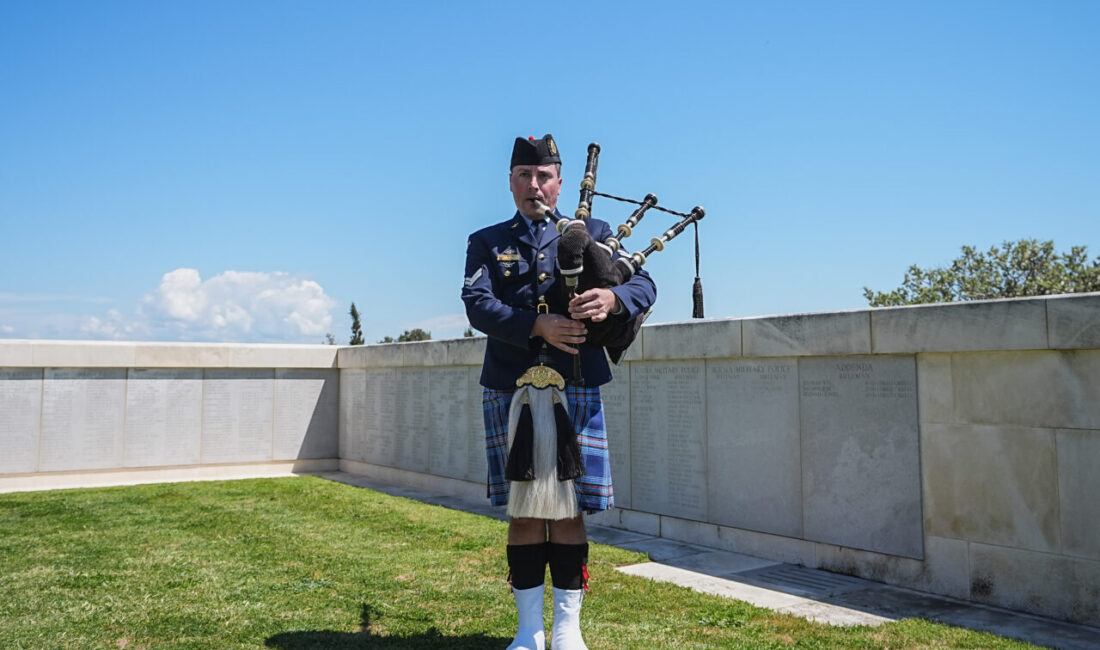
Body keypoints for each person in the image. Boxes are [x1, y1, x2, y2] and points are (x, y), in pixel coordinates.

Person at [462, 134, 656, 650]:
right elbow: (477, 304)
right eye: (524, 175)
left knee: (570, 511)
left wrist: (613, 297)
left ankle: (568, 630)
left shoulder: (591, 232)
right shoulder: (487, 241)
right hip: (511, 389)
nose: (534, 185)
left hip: (577, 387)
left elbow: (645, 285)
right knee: (524, 511)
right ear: (510, 182)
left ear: (559, 182)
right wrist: (536, 327)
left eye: (543, 176)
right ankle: (529, 631)